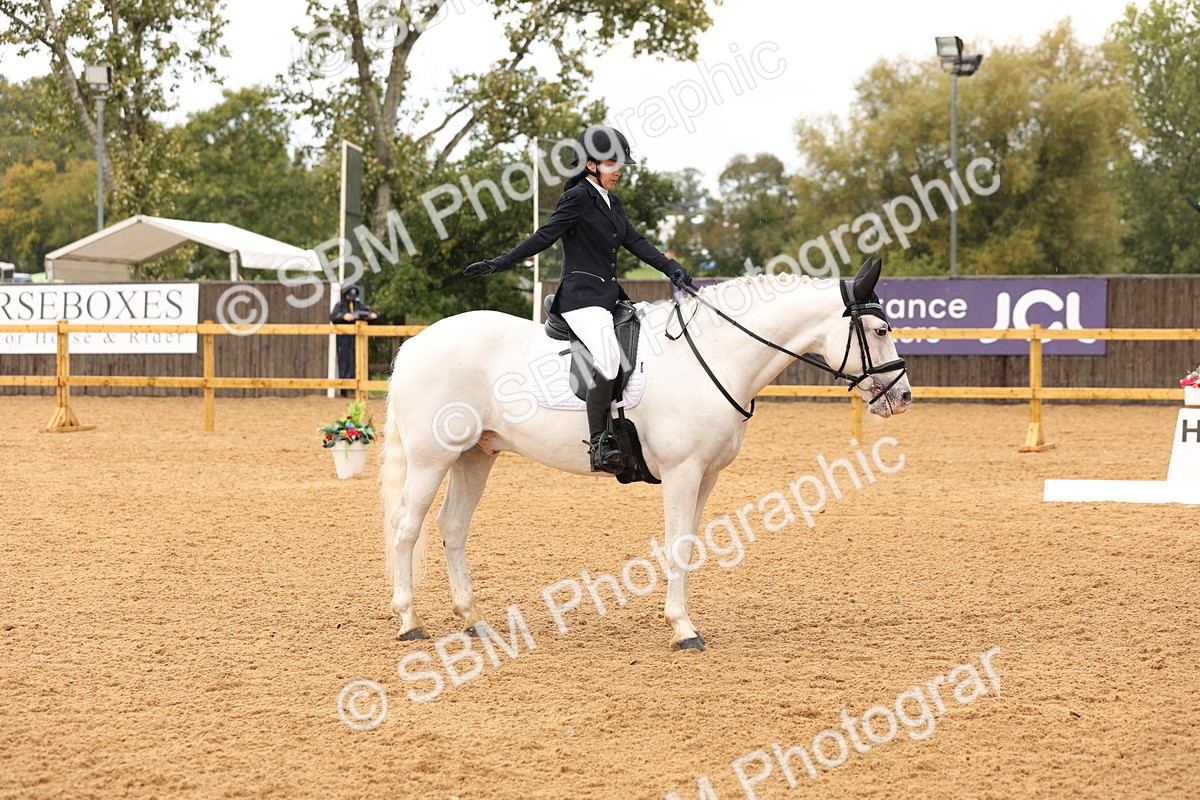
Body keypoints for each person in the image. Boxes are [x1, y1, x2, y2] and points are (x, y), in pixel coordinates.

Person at [463, 125, 693, 473]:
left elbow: (636, 242)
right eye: (612, 164)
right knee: (609, 358)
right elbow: (545, 236)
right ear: (591, 165)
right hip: (580, 299)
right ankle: (599, 442)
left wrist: (671, 268)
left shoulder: (612, 202)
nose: (619, 171)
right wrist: (501, 262)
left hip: (608, 297)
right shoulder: (578, 197)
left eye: (620, 164)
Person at [330, 284, 379, 397]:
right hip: (344, 339)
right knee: (345, 362)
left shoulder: (359, 304)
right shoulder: (340, 305)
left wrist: (370, 315)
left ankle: (363, 388)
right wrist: (344, 316)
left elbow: (373, 314)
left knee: (360, 361)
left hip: (359, 339)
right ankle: (346, 390)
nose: (352, 297)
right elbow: (334, 318)